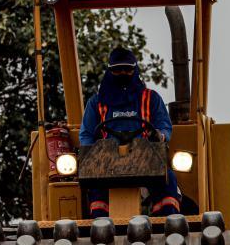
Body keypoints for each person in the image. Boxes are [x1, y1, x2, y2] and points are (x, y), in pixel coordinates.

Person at [80, 47, 189, 217]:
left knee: (168, 179)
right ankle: (100, 225)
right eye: (117, 69)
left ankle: (168, 222)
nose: (123, 73)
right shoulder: (96, 102)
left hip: (146, 160)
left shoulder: (150, 98)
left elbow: (164, 126)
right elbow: (86, 134)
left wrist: (161, 135)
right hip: (107, 164)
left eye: (127, 69)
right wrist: (91, 154)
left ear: (135, 69)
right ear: (110, 71)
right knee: (94, 182)